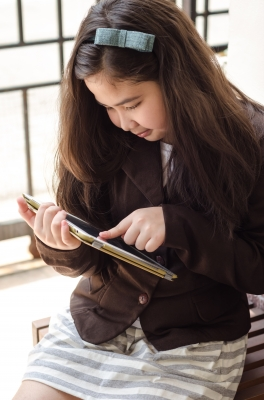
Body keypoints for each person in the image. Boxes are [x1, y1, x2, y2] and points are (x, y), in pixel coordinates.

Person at [14, 0, 264, 399]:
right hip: (97, 322)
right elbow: (92, 256)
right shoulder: (99, 135)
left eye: (132, 104)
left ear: (177, 77)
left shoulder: (251, 140)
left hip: (194, 339)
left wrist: (181, 227)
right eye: (107, 107)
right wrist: (62, 246)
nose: (122, 121)